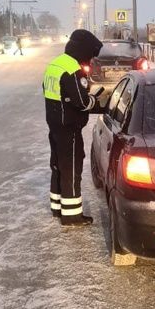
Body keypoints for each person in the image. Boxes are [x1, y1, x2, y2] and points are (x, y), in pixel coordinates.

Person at [43, 29, 105, 227]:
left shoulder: (55, 64)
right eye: (91, 55)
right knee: (71, 168)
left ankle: (57, 207)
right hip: (69, 126)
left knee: (58, 166)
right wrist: (94, 100)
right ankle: (71, 215)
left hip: (55, 124)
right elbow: (80, 101)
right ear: (84, 50)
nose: (91, 60)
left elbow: (52, 92)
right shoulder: (72, 69)